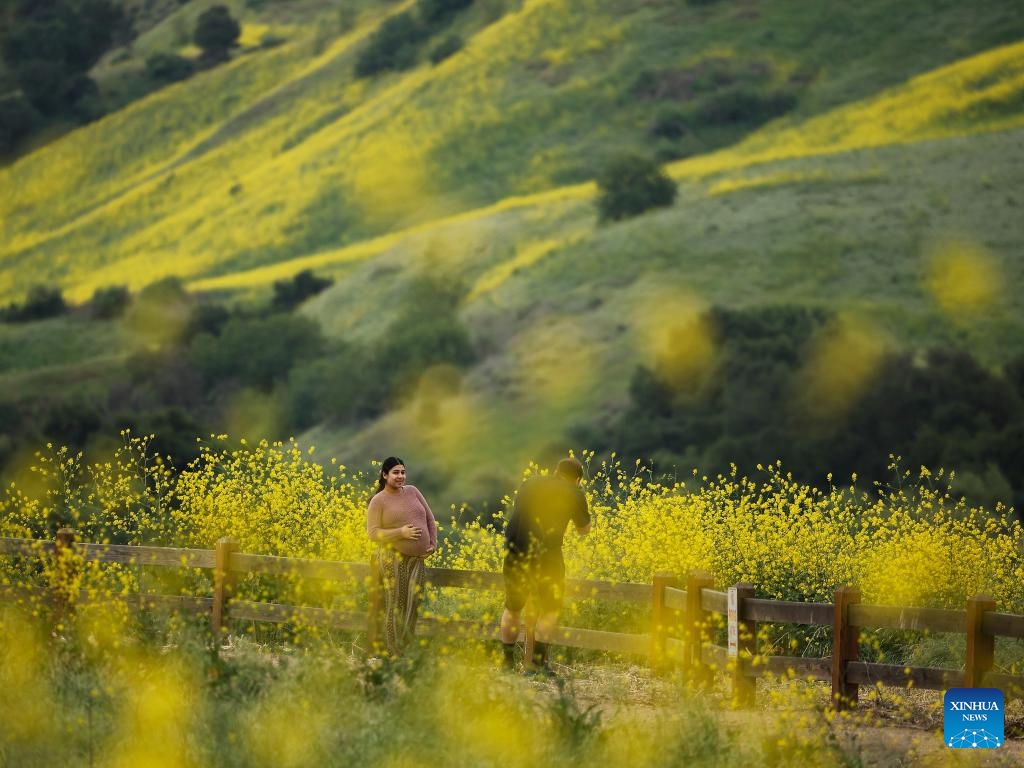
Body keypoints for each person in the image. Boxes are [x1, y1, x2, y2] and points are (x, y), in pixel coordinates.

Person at [499, 457, 591, 674]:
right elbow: (584, 529)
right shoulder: (574, 492)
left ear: (556, 471)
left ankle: (506, 664)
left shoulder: (530, 483)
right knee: (551, 609)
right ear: (577, 479)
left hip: (516, 550)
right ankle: (537, 666)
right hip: (547, 556)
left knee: (513, 608)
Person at [366, 456, 437, 655]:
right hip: (392, 557)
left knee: (413, 602)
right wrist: (401, 533)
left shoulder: (413, 491)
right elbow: (373, 533)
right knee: (396, 601)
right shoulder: (378, 501)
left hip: (417, 559)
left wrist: (432, 544)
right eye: (395, 472)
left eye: (403, 472)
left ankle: (404, 647)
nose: (400, 476)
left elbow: (430, 519)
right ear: (384, 475)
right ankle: (393, 650)